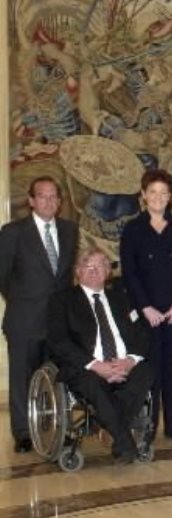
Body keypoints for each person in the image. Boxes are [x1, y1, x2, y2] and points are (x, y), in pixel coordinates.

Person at [46, 248, 153, 464]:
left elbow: (142, 333)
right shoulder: (62, 301)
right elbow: (59, 341)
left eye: (101, 266)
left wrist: (130, 360)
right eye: (89, 267)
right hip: (85, 368)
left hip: (123, 364)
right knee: (93, 383)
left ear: (108, 273)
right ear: (78, 271)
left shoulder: (121, 299)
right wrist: (96, 365)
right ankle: (124, 442)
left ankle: (105, 424)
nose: (96, 271)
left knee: (146, 372)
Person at [0, 176, 78, 453]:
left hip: (58, 321)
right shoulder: (13, 232)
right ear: (31, 201)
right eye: (42, 196)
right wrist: (24, 301)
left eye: (54, 196)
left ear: (60, 201)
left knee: (55, 376)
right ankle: (23, 432)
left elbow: (66, 277)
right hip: (24, 318)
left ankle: (50, 425)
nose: (49, 201)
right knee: (23, 376)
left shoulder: (70, 230)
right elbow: (4, 277)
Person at [120, 169, 172, 442]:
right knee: (149, 372)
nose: (158, 197)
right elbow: (130, 273)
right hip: (147, 315)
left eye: (164, 193)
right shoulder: (132, 229)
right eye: (153, 192)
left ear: (170, 197)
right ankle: (147, 427)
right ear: (143, 195)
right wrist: (145, 308)